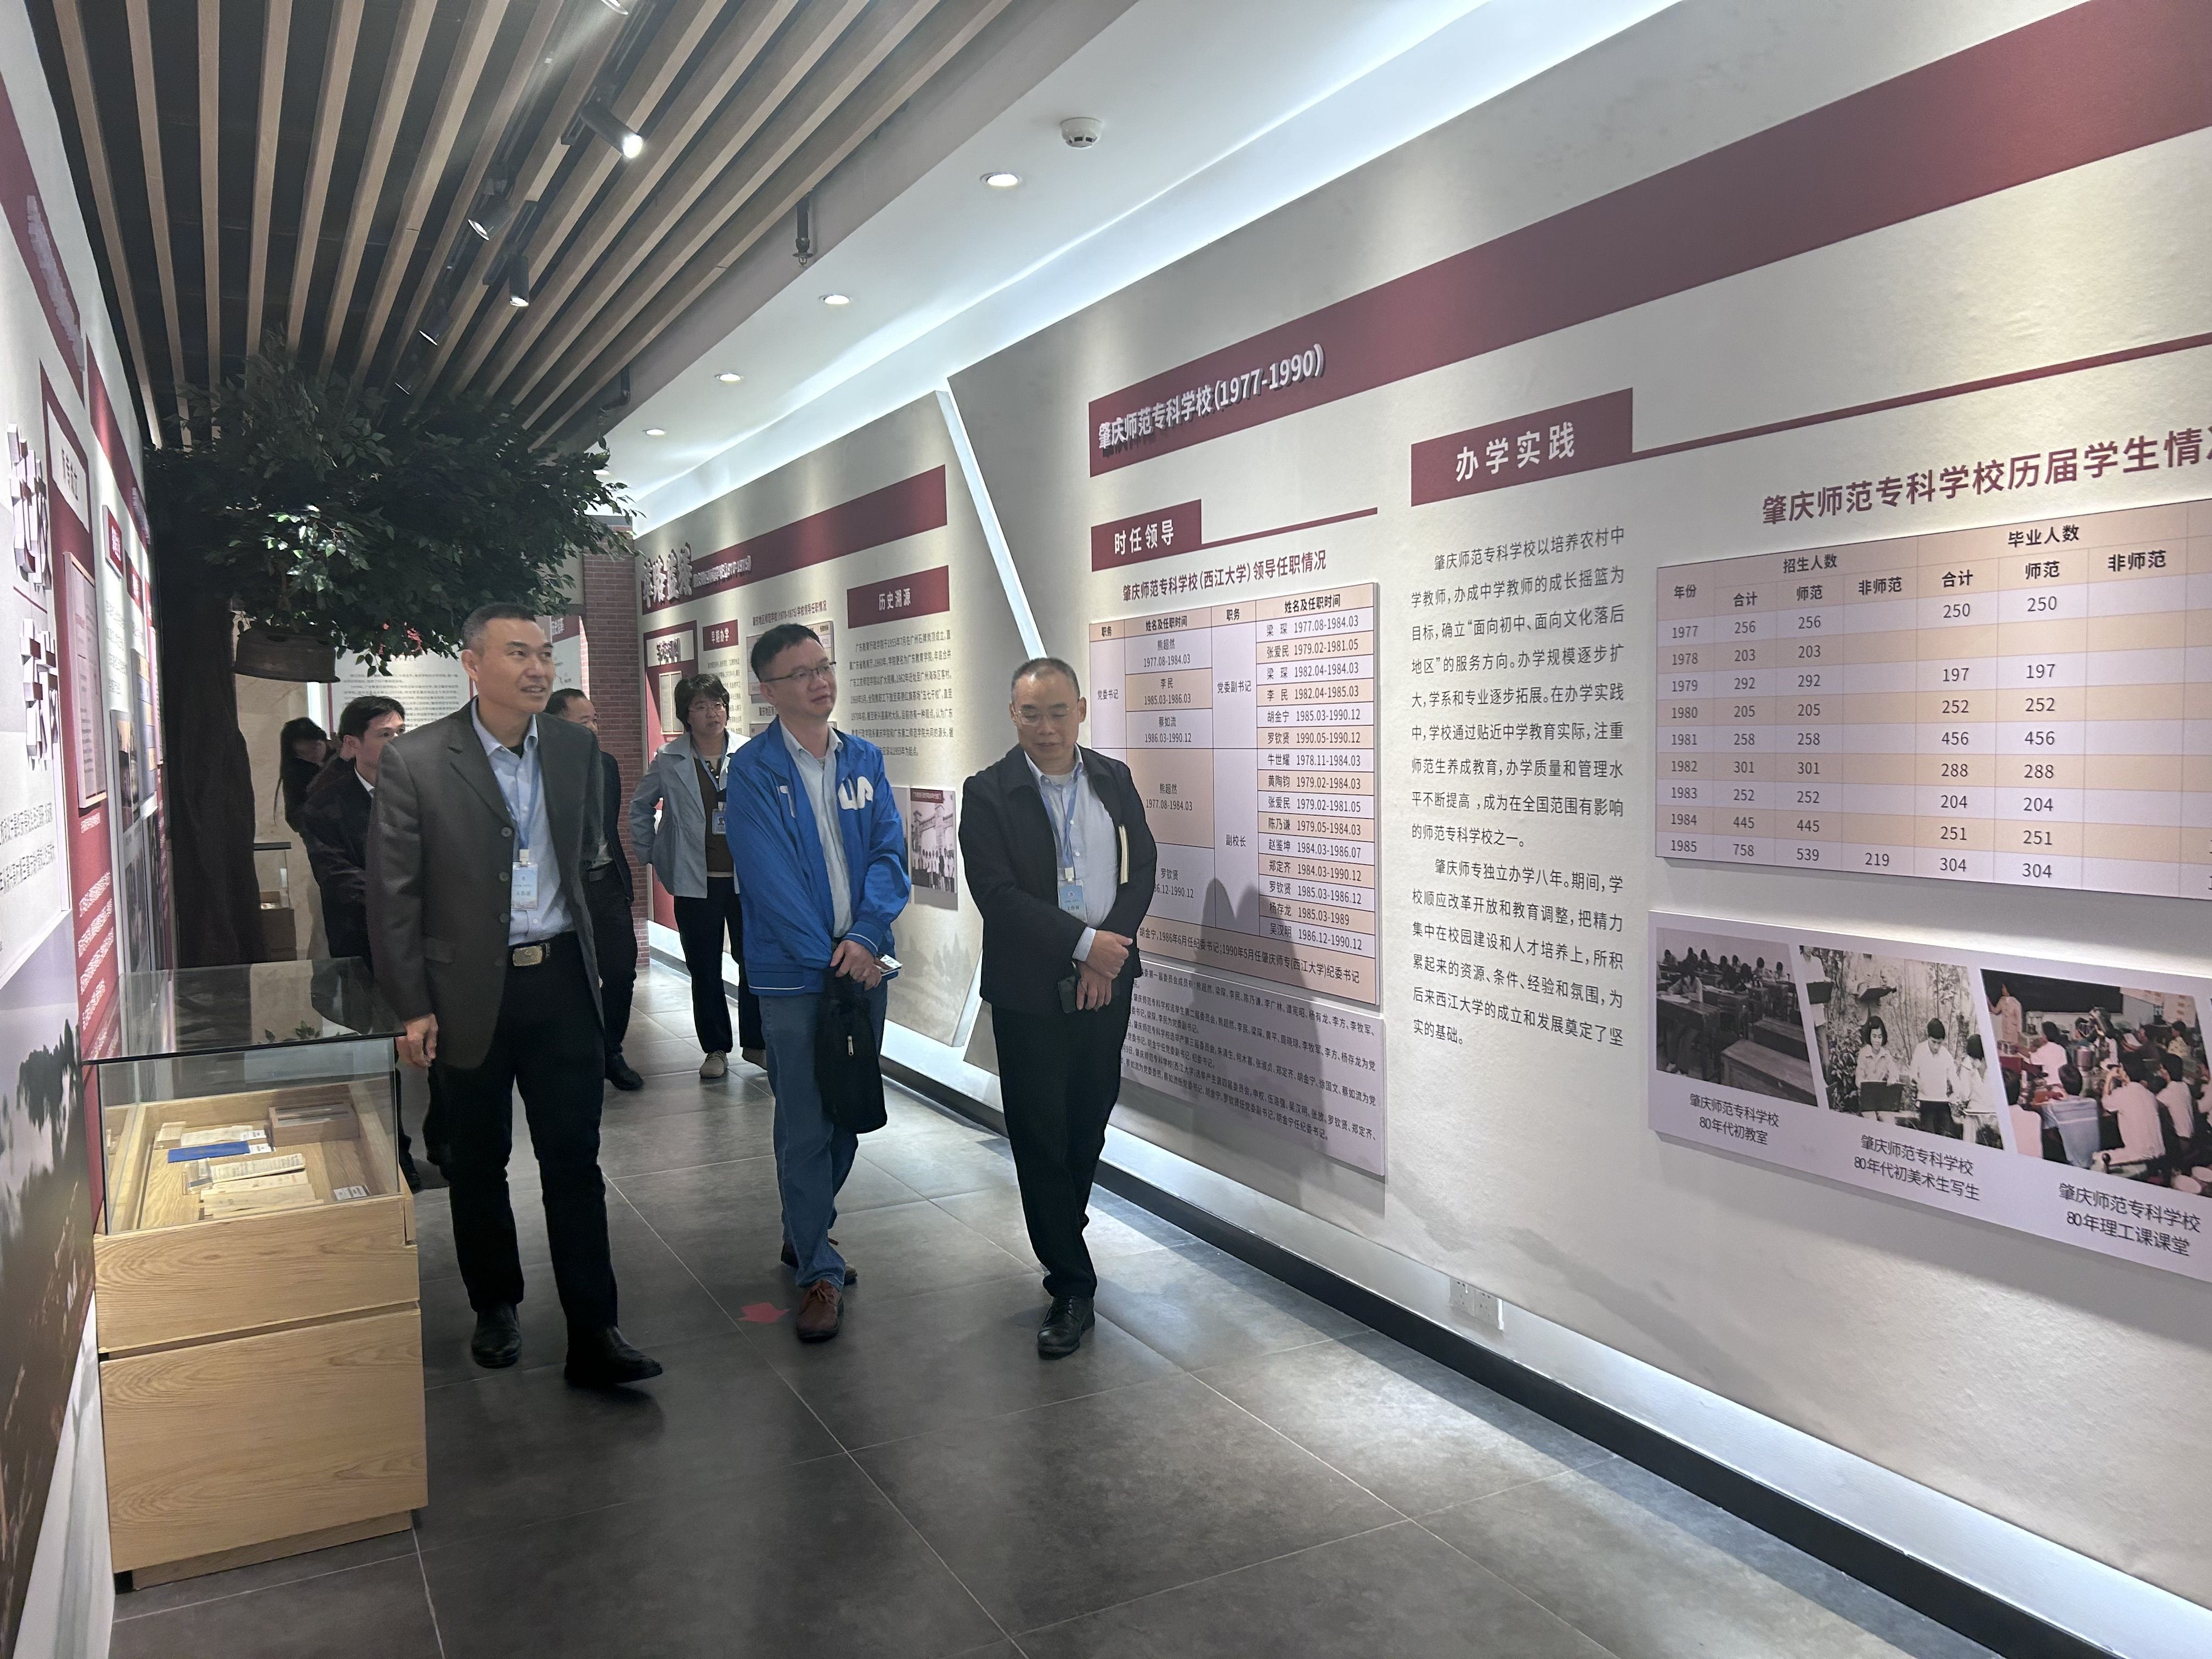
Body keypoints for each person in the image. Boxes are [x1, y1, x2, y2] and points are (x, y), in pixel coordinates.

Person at [368, 605, 661, 1389]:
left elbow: (588, 857)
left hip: (560, 979)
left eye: (544, 655)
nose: (538, 669)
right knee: (478, 1157)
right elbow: (393, 896)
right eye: (518, 654)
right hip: (466, 988)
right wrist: (411, 1005)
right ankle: (495, 1304)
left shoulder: (574, 747)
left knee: (575, 1159)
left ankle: (594, 1328)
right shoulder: (417, 761)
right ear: (472, 665)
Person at [961, 658, 1157, 1357]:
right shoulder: (989, 793)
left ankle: (1061, 1234)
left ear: (1080, 710)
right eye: (1031, 714)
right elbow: (997, 895)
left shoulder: (1113, 779)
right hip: (1029, 991)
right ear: (1012, 715)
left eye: (1057, 712)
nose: (1046, 728)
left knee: (1087, 1122)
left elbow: (1142, 869)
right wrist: (1082, 946)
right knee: (1040, 1132)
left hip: (1109, 980)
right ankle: (1071, 1282)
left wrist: (1108, 952)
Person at [725, 623, 908, 1344]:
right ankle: (818, 1271)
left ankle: (806, 1224)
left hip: (864, 966)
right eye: (800, 673)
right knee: (805, 1119)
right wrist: (834, 959)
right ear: (768, 691)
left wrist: (866, 937)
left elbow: (890, 853)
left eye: (823, 667)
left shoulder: (864, 758)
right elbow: (769, 881)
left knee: (851, 1110)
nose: (819, 681)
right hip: (796, 978)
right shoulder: (752, 771)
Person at [300, 695, 428, 1186]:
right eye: (385, 734)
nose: (397, 742)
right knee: (379, 1051)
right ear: (352, 745)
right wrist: (400, 901)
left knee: (442, 1045)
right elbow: (337, 876)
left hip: (428, 938)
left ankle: (447, 1141)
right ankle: (396, 1153)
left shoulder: (423, 789)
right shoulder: (326, 804)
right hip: (363, 941)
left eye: (402, 732)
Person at [630, 674, 764, 1079]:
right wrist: (652, 854)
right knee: (704, 966)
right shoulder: (669, 758)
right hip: (695, 881)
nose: (712, 714)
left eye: (718, 704)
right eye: (701, 707)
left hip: (747, 879)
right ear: (686, 715)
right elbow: (640, 806)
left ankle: (757, 1043)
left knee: (754, 960)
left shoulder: (750, 753)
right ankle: (715, 1048)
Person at [550, 689, 642, 1091]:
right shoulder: (540, 770)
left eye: (595, 719)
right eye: (582, 721)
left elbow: (607, 827)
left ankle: (611, 1051)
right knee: (570, 980)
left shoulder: (606, 764)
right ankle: (574, 1056)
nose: (593, 728)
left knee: (621, 972)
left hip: (606, 883)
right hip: (564, 890)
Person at [2100, 1059, 2166, 1170]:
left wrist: (2109, 1077)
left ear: (2124, 1071)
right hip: (2160, 1154)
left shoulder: (2123, 1093)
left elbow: (2105, 1104)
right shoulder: (2150, 1095)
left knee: (2096, 1158)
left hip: (2139, 1156)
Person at [277, 715, 329, 834]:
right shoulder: (296, 773)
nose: (314, 754)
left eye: (317, 746)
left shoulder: (342, 760)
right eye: (303, 752)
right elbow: (295, 818)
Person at [1911, 1017, 1960, 1138]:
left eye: (1939, 1043)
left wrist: (1956, 1093)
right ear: (1928, 1037)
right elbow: (1912, 1072)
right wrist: (1918, 1081)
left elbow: (1954, 1078)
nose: (1936, 1047)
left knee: (1949, 1132)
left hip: (1942, 1102)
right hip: (1926, 1101)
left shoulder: (1946, 1055)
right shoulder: (1920, 1050)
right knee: (1929, 1132)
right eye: (1933, 1042)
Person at [2030, 1022, 2070, 1093]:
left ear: (2045, 1036)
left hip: (2050, 1085)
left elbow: (2032, 1060)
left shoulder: (2043, 1050)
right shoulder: (2062, 1049)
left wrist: (2034, 1047)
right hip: (2063, 1084)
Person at [1991, 983, 2024, 1053]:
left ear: (2008, 989)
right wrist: (1988, 1003)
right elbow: (1996, 1011)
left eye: (2004, 988)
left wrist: (2019, 1033)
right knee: (2004, 1048)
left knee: (2012, 1049)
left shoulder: (2016, 1003)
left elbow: (2019, 1019)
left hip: (2013, 1030)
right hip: (2005, 1029)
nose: (2002, 990)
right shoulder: (2002, 1000)